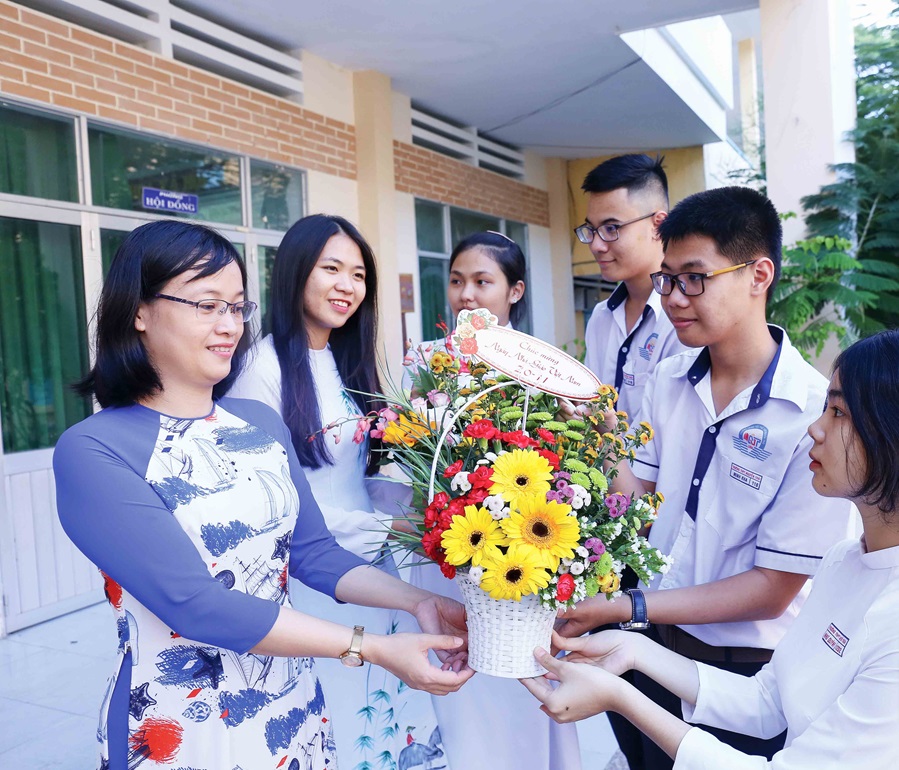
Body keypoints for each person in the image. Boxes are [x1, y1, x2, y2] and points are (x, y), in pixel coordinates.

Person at [54, 220, 473, 770]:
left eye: (236, 307)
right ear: (139, 311)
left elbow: (313, 552)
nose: (228, 325)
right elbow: (198, 606)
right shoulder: (93, 450)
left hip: (293, 701)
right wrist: (369, 647)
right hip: (178, 725)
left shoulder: (257, 421)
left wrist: (419, 601)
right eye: (206, 305)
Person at [556, 186, 858, 769]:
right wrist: (597, 437)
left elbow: (773, 590)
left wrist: (628, 607)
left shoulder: (811, 415)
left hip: (744, 677)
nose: (672, 298)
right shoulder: (667, 380)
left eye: (694, 278)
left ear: (758, 274)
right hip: (646, 647)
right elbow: (636, 508)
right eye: (666, 278)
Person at [524, 329, 899, 769]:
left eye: (838, 412)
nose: (816, 429)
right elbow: (766, 701)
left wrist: (620, 696)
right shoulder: (844, 561)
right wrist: (633, 652)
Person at [229, 214, 449, 768]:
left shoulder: (346, 362)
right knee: (343, 723)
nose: (347, 286)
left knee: (383, 715)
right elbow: (276, 502)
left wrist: (424, 508)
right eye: (332, 269)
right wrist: (392, 527)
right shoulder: (261, 369)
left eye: (358, 274)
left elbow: (352, 477)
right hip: (312, 578)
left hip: (373, 570)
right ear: (296, 272)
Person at [402, 231, 583, 770]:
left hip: (517, 555)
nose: (467, 295)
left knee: (515, 687)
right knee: (451, 682)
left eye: (483, 282)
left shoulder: (539, 366)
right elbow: (413, 448)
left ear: (515, 291)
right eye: (457, 281)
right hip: (444, 547)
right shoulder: (427, 360)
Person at [576, 154, 686, 422]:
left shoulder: (684, 318)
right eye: (591, 229)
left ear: (658, 226)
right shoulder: (601, 317)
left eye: (611, 228)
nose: (596, 245)